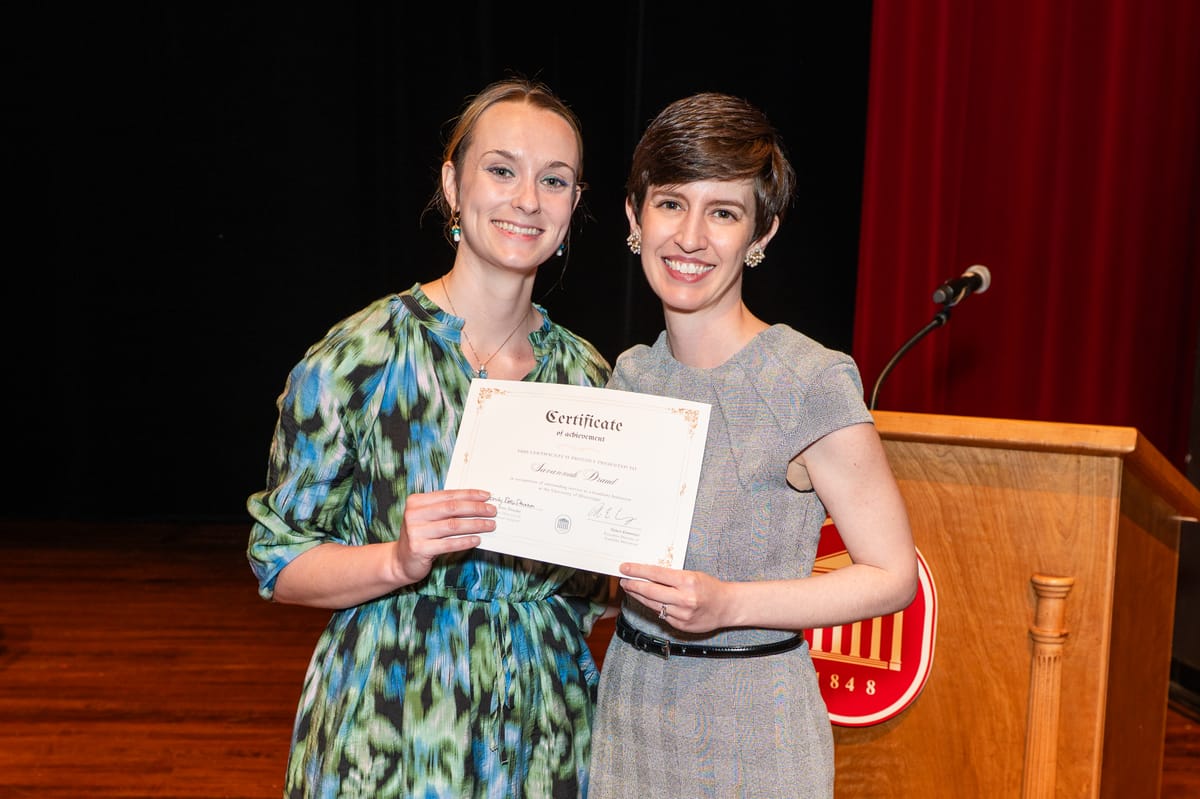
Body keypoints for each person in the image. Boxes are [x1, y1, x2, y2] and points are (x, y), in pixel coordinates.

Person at [246, 78, 612, 799]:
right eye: (501, 170)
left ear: (574, 207)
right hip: (392, 718)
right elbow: (277, 561)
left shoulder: (592, 379)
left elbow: (598, 585)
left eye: (554, 180)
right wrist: (398, 559)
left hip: (546, 724)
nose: (527, 199)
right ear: (452, 184)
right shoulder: (360, 357)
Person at [588, 92, 918, 798]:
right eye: (671, 203)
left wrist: (728, 604)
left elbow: (891, 575)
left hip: (753, 724)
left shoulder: (809, 378)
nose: (691, 236)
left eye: (725, 212)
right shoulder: (630, 375)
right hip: (629, 712)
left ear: (761, 235)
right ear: (633, 217)